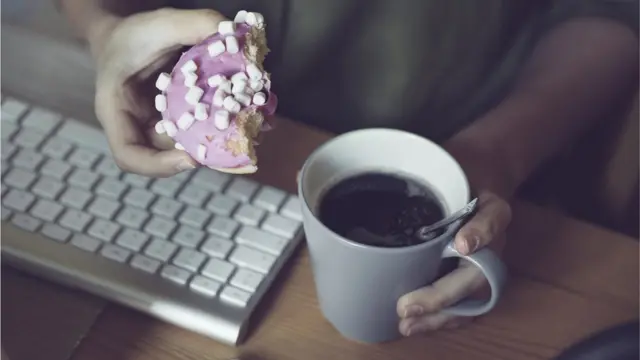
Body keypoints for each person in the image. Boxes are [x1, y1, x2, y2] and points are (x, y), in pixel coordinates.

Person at [59, 0, 638, 337]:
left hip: (479, 133)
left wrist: (501, 153)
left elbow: (610, 14)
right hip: (211, 173)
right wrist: (106, 29)